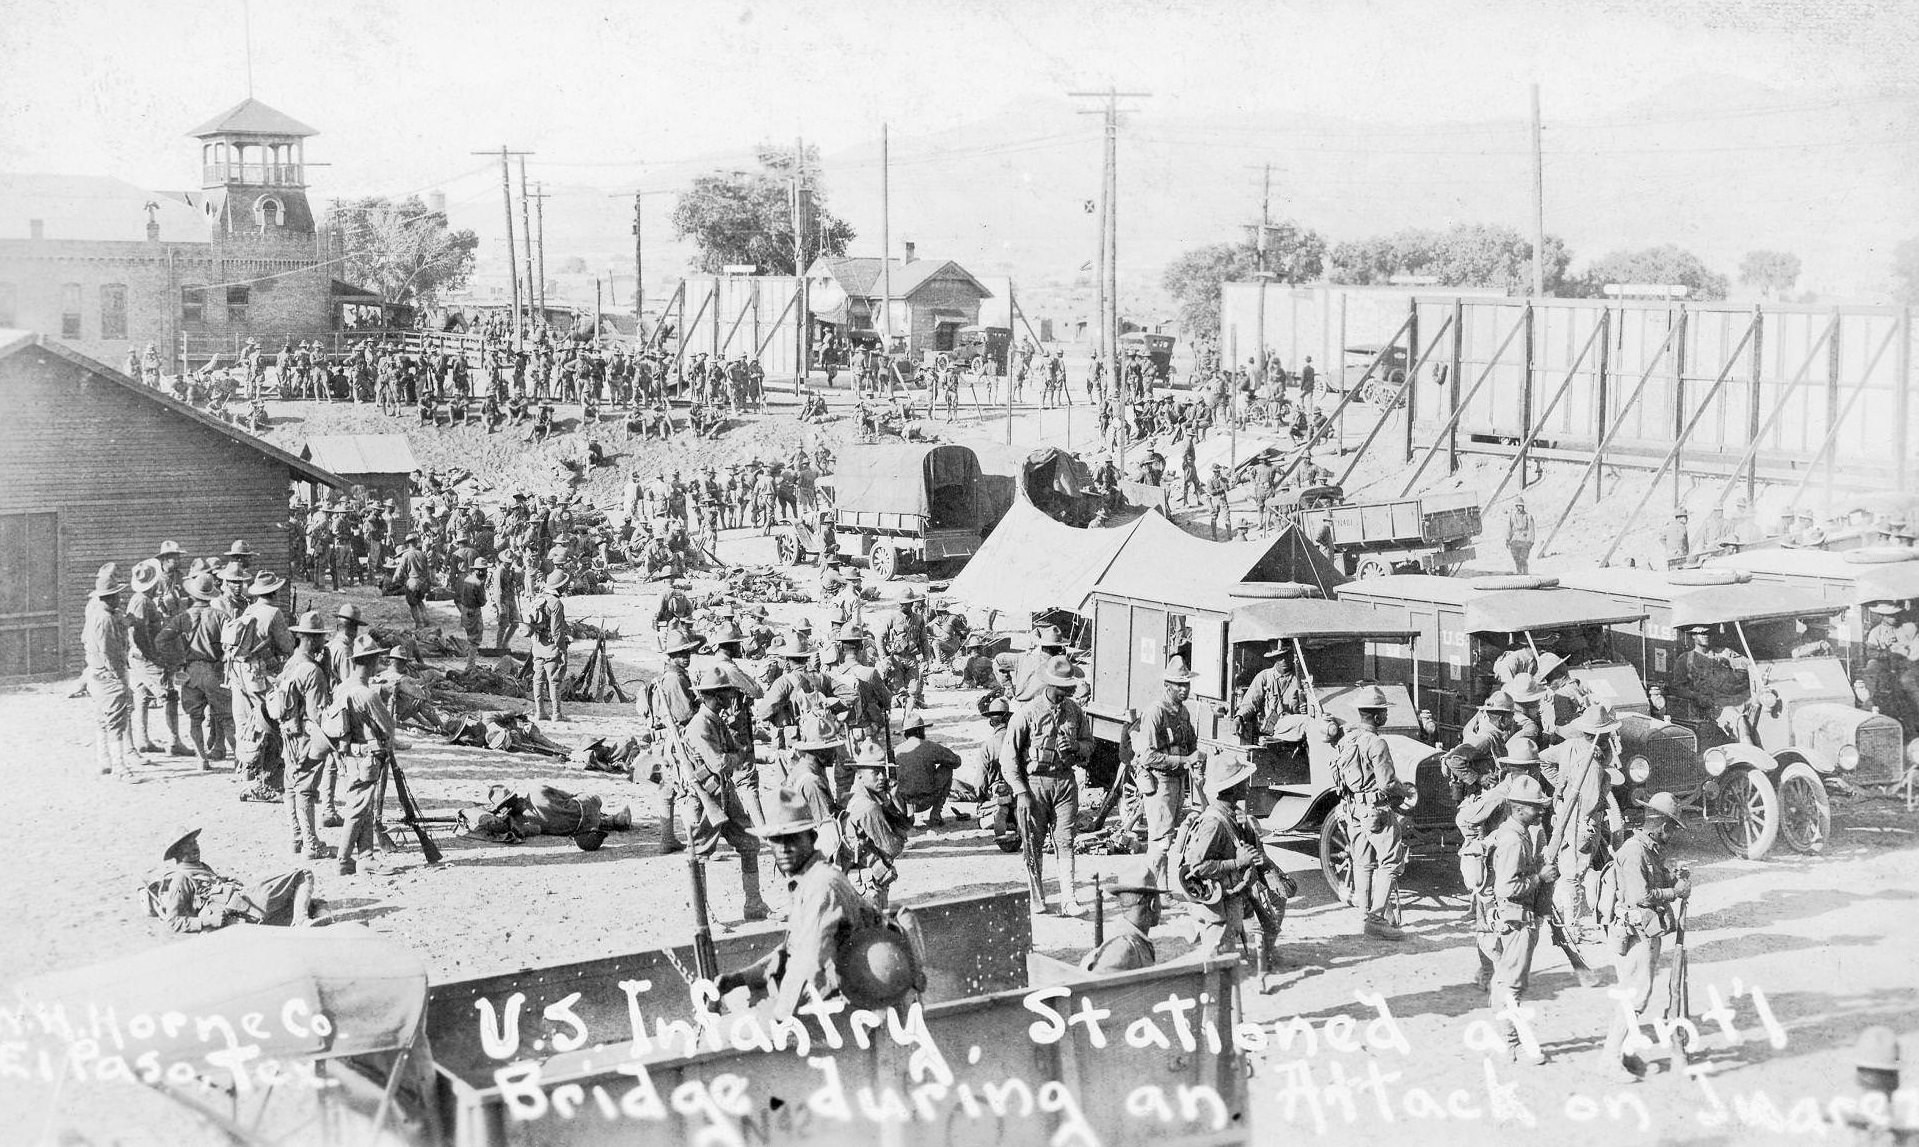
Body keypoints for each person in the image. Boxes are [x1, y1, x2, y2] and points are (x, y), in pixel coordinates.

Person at [713, 790, 891, 1020]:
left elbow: (811, 964)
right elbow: (791, 953)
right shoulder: (807, 882)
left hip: (854, 1003)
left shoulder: (822, 885)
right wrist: (740, 978)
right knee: (738, 998)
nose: (784, 849)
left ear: (812, 838)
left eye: (793, 839)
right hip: (836, 990)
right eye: (776, 841)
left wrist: (778, 1019)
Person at [1602, 791, 1693, 1082]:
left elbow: (1657, 880)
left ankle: (1625, 1053)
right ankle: (1610, 1058)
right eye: (1671, 828)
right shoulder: (1634, 850)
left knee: (1638, 995)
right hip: (1635, 935)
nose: (1672, 835)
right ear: (1661, 825)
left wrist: (1675, 880)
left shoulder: (1649, 848)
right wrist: (1673, 893)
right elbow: (1640, 895)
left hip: (1646, 932)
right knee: (1635, 998)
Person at [1469, 773, 1557, 1066]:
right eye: (1535, 807)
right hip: (1514, 920)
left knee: (1505, 983)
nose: (1540, 810)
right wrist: (1538, 878)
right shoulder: (1513, 842)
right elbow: (1507, 888)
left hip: (1507, 919)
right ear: (1518, 809)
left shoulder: (1513, 834)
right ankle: (1512, 1046)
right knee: (1511, 986)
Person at [1002, 654, 1094, 914]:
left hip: (1065, 782)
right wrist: (1020, 792)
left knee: (1066, 840)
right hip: (1034, 785)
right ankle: (1037, 898)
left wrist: (1076, 746)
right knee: (1033, 840)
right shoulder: (1027, 713)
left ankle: (1069, 899)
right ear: (1052, 685)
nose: (1073, 688)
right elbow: (1008, 758)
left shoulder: (1074, 712)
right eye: (1067, 685)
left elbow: (1089, 745)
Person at [1178, 755, 1282, 979]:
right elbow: (1197, 867)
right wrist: (1238, 862)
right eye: (1243, 781)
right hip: (1219, 904)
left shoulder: (1230, 814)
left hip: (1233, 896)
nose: (1247, 785)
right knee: (1220, 965)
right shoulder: (1214, 822)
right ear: (1234, 787)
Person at [681, 667, 772, 922]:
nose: (731, 698)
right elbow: (720, 762)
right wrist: (735, 757)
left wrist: (734, 756)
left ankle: (754, 903)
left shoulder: (716, 720)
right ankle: (703, 913)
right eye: (726, 693)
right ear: (716, 696)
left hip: (723, 791)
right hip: (704, 797)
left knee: (748, 842)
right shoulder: (700, 725)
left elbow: (734, 752)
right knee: (699, 854)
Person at [1335, 688, 1409, 941]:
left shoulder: (1348, 740)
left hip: (1353, 809)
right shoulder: (1377, 743)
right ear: (1377, 717)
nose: (1386, 716)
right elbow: (1387, 783)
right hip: (1376, 811)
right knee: (1390, 862)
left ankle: (1365, 913)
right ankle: (1377, 920)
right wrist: (1405, 791)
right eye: (1384, 712)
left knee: (1362, 861)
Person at [1539, 702, 1617, 931]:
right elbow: (1592, 801)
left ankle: (1559, 915)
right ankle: (1571, 925)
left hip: (1566, 814)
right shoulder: (1594, 763)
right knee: (1575, 871)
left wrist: (1560, 787)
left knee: (1567, 868)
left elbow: (1543, 758)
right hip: (1582, 820)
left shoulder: (1570, 746)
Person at [150, 828, 318, 932]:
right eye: (188, 845)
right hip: (241, 909)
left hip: (246, 905)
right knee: (303, 875)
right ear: (178, 853)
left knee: (312, 903)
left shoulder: (201, 867)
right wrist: (206, 921)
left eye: (195, 842)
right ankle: (300, 922)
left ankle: (303, 920)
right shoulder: (181, 879)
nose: (195, 847)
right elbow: (173, 921)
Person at [328, 633, 399, 876]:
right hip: (367, 757)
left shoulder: (343, 688)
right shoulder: (367, 695)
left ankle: (366, 856)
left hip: (350, 755)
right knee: (358, 809)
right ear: (370, 662)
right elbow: (388, 726)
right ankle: (344, 859)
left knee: (363, 806)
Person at [1138, 657, 1204, 889]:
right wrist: (1184, 760)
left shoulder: (1183, 712)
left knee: (1167, 835)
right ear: (1167, 686)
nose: (1185, 689)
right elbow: (1147, 756)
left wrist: (1197, 760)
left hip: (1177, 781)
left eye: (1187, 684)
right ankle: (1158, 891)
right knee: (1161, 839)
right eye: (1179, 685)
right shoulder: (1156, 712)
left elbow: (1191, 744)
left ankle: (1157, 889)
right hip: (1160, 781)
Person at [277, 611, 337, 860]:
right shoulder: (313, 671)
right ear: (312, 640)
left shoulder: (292, 662)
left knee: (291, 784)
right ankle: (312, 844)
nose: (323, 642)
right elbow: (317, 713)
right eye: (321, 637)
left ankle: (296, 837)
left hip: (288, 732)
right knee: (306, 788)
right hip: (304, 735)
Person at [83, 564, 142, 781]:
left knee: (101, 718)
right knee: (118, 719)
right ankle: (119, 767)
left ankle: (104, 760)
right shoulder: (105, 620)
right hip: (109, 674)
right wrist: (121, 679)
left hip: (95, 671)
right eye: (116, 595)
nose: (119, 598)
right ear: (109, 597)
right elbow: (110, 652)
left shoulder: (96, 612)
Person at [125, 561, 190, 757]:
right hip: (145, 658)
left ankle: (143, 740)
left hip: (137, 658)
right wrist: (154, 656)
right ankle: (174, 741)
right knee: (169, 695)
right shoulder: (143, 602)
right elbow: (139, 633)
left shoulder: (139, 599)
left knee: (143, 696)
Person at [841, 741, 912, 907]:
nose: (882, 777)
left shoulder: (856, 797)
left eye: (883, 771)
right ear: (859, 775)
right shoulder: (868, 807)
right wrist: (899, 832)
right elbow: (893, 848)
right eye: (875, 773)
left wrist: (893, 799)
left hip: (857, 879)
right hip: (866, 885)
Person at [1667, 624, 1752, 739]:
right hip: (1700, 709)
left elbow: (1749, 666)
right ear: (1693, 636)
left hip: (1726, 702)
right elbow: (1678, 688)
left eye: (1708, 633)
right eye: (1701, 633)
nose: (1706, 636)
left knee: (1743, 720)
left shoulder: (1724, 653)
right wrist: (1696, 696)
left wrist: (1728, 664)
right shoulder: (1685, 659)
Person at [1079, 872, 1164, 972]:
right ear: (1153, 904)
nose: (1161, 906)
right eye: (1160, 900)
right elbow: (1100, 984)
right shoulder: (1123, 949)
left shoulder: (1133, 939)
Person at [892, 709, 961, 827]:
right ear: (920, 730)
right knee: (947, 769)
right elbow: (955, 761)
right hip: (927, 799)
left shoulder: (896, 750)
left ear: (905, 734)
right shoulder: (929, 746)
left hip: (903, 801)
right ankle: (936, 813)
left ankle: (906, 815)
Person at [1235, 642, 1308, 742]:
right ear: (1274, 659)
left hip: (1294, 726)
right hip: (1272, 726)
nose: (1284, 660)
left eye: (1287, 656)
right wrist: (1239, 717)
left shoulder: (1299, 680)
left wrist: (1305, 708)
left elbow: (1310, 703)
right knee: (1308, 722)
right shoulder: (1265, 677)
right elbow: (1250, 702)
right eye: (1280, 657)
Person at [525, 569, 571, 723]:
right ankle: (557, 714)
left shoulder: (539, 599)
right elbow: (556, 631)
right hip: (552, 647)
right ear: (560, 586)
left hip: (537, 645)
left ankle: (540, 712)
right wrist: (562, 649)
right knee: (554, 680)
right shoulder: (556, 603)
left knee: (538, 679)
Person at [455, 559, 488, 671]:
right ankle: (470, 665)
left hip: (465, 610)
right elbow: (483, 602)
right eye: (483, 570)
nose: (484, 572)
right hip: (474, 612)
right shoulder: (478, 583)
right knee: (475, 640)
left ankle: (470, 662)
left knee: (470, 638)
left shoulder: (467, 579)